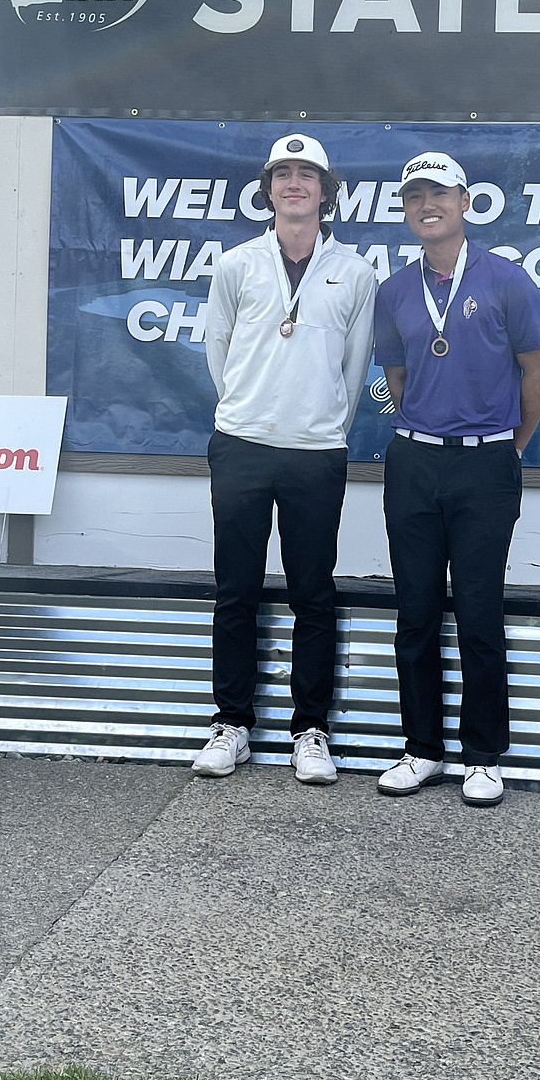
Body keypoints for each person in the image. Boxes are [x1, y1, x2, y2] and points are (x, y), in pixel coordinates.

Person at [194, 134, 378, 786]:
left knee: (313, 594)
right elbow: (217, 348)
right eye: (283, 174)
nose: (295, 183)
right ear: (268, 187)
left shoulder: (354, 272)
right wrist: (246, 411)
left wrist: (319, 424)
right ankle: (232, 723)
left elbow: (355, 373)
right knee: (235, 590)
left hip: (316, 453)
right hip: (241, 444)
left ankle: (311, 730)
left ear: (327, 191)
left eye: (308, 174)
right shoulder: (236, 263)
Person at [373, 151, 540, 807]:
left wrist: (507, 446)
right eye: (415, 193)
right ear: (405, 207)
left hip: (486, 464)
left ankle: (482, 754)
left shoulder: (507, 280)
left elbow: (537, 371)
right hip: (413, 461)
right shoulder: (394, 291)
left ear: (465, 202)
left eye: (439, 192)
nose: (428, 203)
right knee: (415, 610)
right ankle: (420, 748)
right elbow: (396, 378)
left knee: (478, 609)